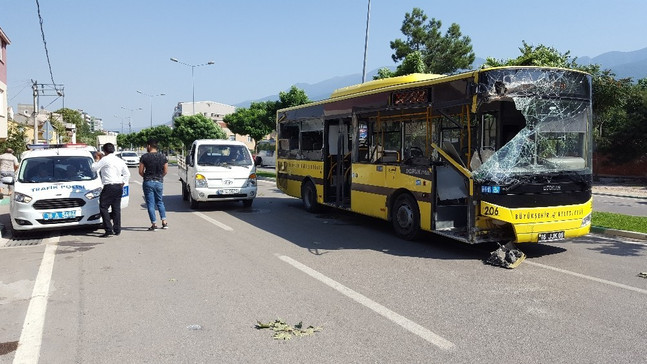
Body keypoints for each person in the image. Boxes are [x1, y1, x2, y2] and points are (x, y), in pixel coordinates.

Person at [91, 143, 130, 237]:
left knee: (103, 207)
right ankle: (117, 229)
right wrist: (123, 183)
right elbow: (127, 174)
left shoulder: (105, 159)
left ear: (105, 151)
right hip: (118, 186)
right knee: (116, 208)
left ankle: (108, 229)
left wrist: (96, 159)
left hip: (109, 186)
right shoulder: (119, 160)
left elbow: (93, 168)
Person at [139, 139, 168, 231]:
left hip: (148, 182)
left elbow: (140, 171)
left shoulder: (144, 157)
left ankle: (154, 224)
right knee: (160, 202)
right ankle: (164, 222)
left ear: (149, 146)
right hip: (159, 181)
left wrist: (147, 177)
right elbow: (165, 171)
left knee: (150, 204)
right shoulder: (163, 157)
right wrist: (159, 176)